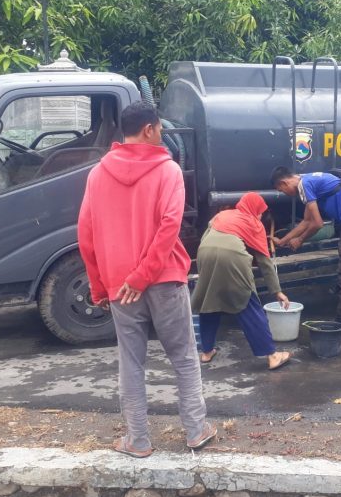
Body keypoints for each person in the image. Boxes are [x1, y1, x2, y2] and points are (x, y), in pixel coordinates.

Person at [78, 101, 215, 458]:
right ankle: (196, 431)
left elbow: (86, 235)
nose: (163, 137)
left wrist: (99, 286)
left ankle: (137, 440)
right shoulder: (168, 171)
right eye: (161, 130)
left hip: (121, 285)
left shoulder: (97, 175)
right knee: (184, 356)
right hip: (164, 277)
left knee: (131, 362)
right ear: (150, 129)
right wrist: (145, 274)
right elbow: (170, 226)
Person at [191, 192, 293, 370]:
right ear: (255, 210)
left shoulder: (222, 214)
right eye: (260, 211)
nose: (260, 215)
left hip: (204, 252)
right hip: (232, 257)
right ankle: (273, 355)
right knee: (247, 303)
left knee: (210, 301)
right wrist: (277, 291)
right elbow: (264, 262)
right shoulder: (255, 224)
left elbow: (208, 234)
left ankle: (206, 352)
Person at [271, 167, 341, 340]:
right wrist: (283, 241)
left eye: (282, 190)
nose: (285, 194)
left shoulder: (305, 184)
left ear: (284, 182)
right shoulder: (306, 181)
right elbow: (306, 221)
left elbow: (317, 223)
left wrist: (300, 240)